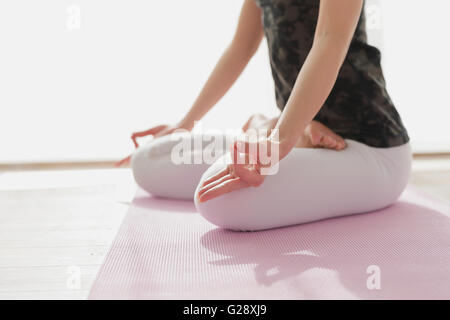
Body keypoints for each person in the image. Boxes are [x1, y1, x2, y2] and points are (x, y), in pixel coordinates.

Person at [126, 0, 411, 231]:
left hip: (372, 149)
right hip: (292, 136)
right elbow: (240, 48)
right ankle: (286, 131)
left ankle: (276, 130)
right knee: (149, 161)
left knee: (221, 202)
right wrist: (185, 124)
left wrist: (279, 142)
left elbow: (330, 39)